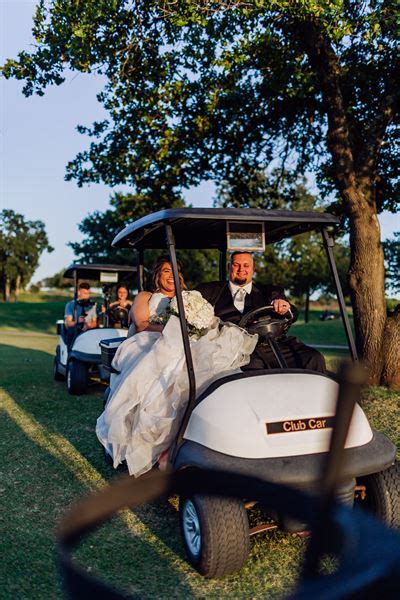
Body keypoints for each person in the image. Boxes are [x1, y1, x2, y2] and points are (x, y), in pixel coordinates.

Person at [96, 255, 257, 477]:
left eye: (175, 271)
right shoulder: (146, 296)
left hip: (183, 342)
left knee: (209, 366)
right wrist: (175, 329)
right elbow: (142, 324)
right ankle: (156, 446)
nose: (172, 275)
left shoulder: (187, 298)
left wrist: (194, 327)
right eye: (165, 271)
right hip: (148, 342)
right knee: (169, 366)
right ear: (157, 275)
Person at [196, 251, 326, 373]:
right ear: (229, 267)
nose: (241, 269)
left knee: (313, 358)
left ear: (253, 269)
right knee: (253, 365)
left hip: (271, 344)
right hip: (232, 349)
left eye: (246, 265)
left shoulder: (270, 292)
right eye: (236, 265)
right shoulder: (210, 291)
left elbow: (292, 312)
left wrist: (285, 307)